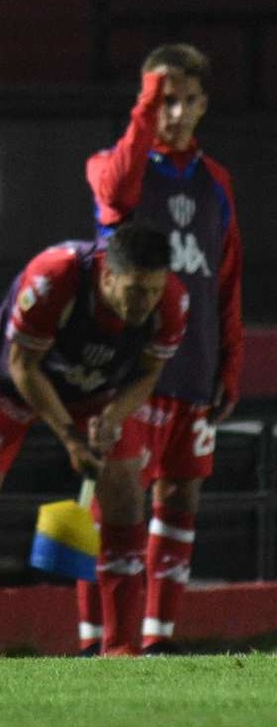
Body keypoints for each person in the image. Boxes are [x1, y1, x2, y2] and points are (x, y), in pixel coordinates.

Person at [0, 225, 188, 661]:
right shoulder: (55, 277)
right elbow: (23, 366)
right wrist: (71, 440)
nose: (144, 302)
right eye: (134, 290)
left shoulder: (171, 302)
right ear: (108, 277)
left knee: (126, 499)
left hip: (96, 392)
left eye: (152, 290)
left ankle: (119, 648)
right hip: (9, 383)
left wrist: (113, 416)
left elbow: (148, 372)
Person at [75, 44, 243, 655]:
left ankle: (157, 638)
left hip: (192, 363)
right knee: (117, 498)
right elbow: (117, 194)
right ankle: (96, 636)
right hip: (124, 367)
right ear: (149, 100)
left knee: (180, 495)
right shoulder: (114, 163)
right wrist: (144, 106)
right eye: (165, 100)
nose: (175, 113)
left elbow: (226, 278)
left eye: (187, 100)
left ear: (204, 105)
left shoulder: (215, 182)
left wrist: (231, 362)